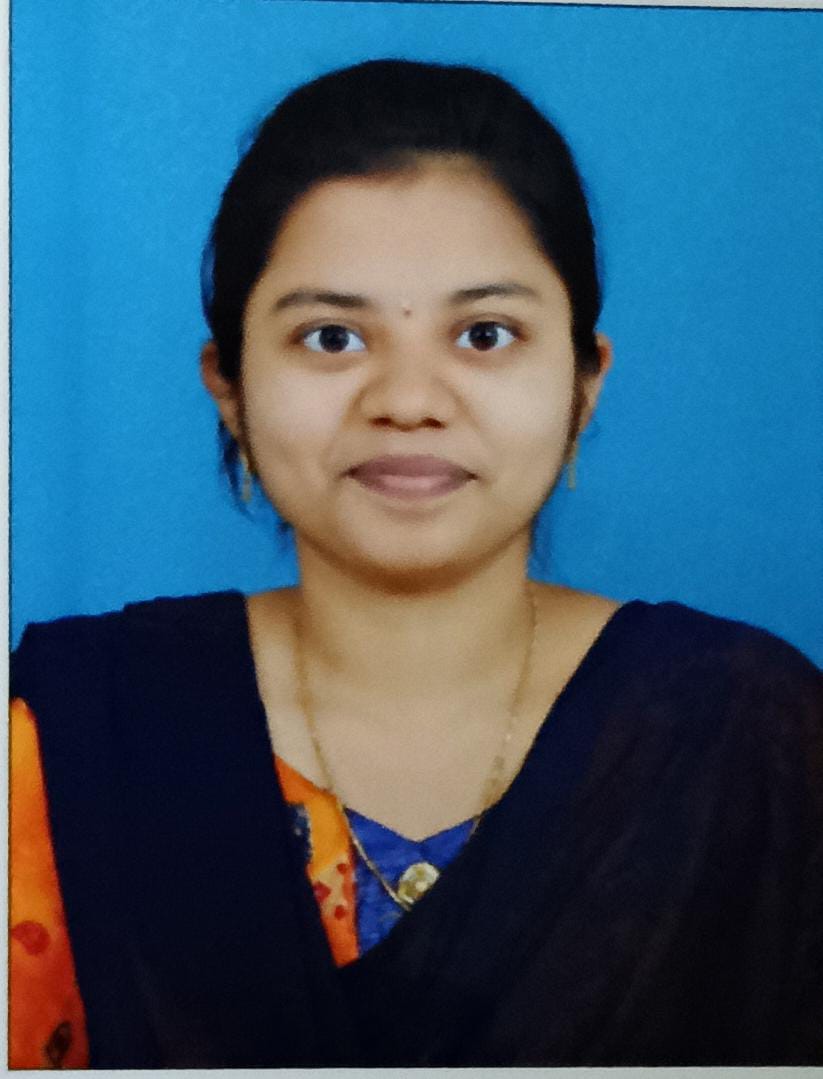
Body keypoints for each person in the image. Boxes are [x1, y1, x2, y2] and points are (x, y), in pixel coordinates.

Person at [9, 59, 822, 1069]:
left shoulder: (747, 734)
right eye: (330, 336)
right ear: (230, 384)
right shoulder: (68, 736)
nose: (406, 399)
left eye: (484, 333)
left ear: (583, 380)